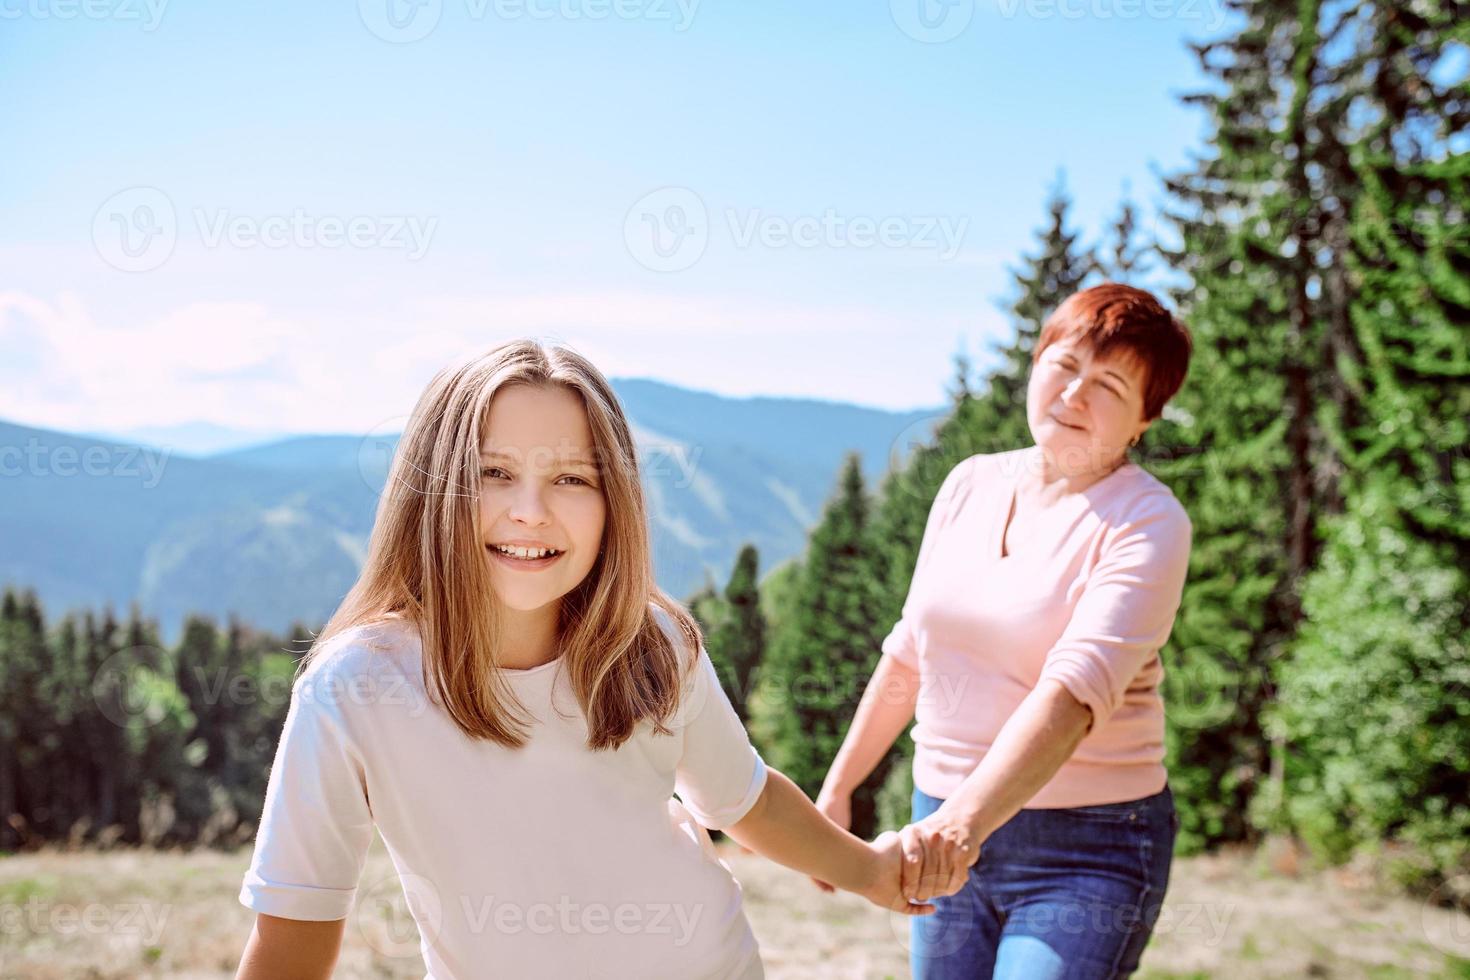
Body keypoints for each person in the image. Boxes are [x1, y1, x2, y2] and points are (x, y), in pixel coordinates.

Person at [233, 340, 936, 980]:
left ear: (614, 504)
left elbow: (745, 799)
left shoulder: (654, 642)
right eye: (494, 473)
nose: (531, 511)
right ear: (432, 493)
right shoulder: (354, 689)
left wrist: (872, 872)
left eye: (572, 478)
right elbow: (292, 938)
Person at [815, 283, 1195, 979]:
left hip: (1089, 848)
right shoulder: (969, 484)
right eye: (1063, 364)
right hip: (941, 818)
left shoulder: (1149, 522)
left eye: (1109, 383)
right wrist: (840, 789)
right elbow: (910, 653)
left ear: (1146, 418)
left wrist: (960, 827)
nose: (1074, 394)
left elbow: (1072, 697)